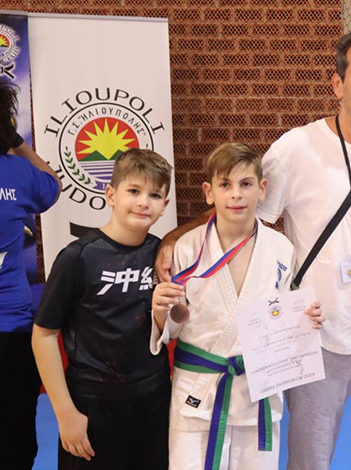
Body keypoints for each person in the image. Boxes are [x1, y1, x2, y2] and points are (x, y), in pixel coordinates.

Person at [155, 27, 351, 470]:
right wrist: (177, 236)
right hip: (315, 335)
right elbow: (244, 208)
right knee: (310, 460)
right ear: (337, 83)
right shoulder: (296, 148)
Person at [150, 143, 325, 470]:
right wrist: (161, 312)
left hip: (258, 391)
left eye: (246, 184)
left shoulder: (281, 249)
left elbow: (283, 315)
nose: (236, 194)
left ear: (262, 189)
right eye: (225, 184)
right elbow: (171, 328)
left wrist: (306, 319)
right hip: (198, 392)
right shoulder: (187, 248)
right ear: (209, 192)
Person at [31, 149, 172, 469]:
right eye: (133, 191)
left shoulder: (163, 254)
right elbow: (44, 335)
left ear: (164, 205)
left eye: (154, 195)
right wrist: (65, 414)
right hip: (93, 402)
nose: (143, 202)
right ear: (111, 195)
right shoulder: (79, 257)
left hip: (153, 400)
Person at [0, 81, 61, 469]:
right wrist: (17, 142)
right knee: (15, 434)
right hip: (13, 327)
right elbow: (53, 181)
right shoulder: (19, 172)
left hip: (13, 325)